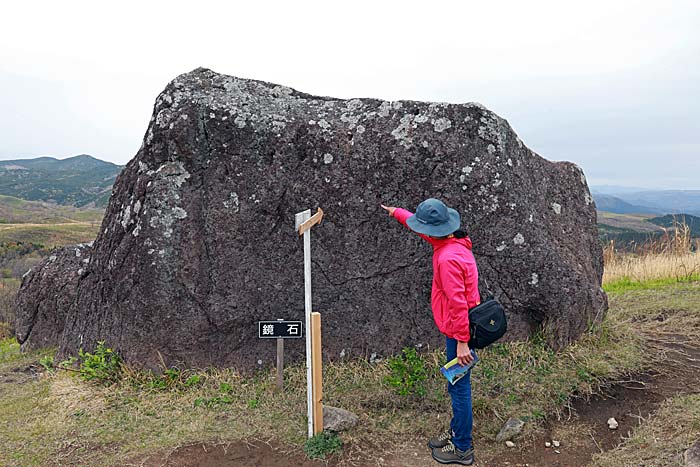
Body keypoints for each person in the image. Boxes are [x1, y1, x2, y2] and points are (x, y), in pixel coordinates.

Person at [381, 198, 480, 466]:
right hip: (462, 328)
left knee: (459, 388)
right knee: (456, 385)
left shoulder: (447, 258)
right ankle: (459, 431)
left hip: (460, 331)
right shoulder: (454, 243)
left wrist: (461, 342)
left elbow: (459, 303)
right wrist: (397, 213)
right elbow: (423, 227)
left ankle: (462, 448)